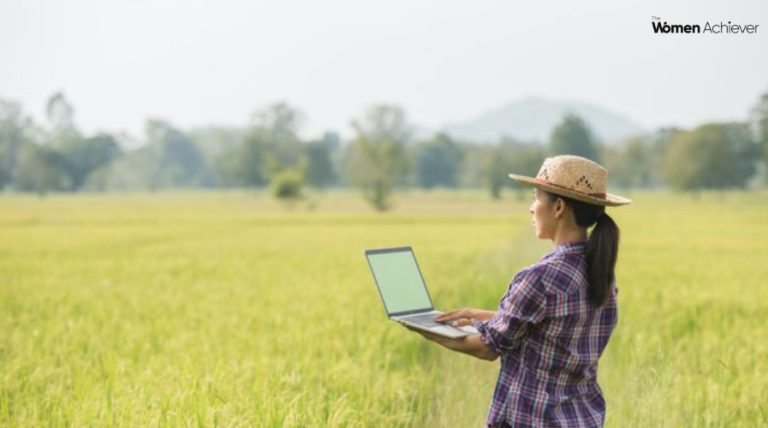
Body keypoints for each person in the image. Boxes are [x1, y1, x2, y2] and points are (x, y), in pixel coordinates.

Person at [404, 154, 632, 427]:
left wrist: (429, 330)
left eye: (535, 198)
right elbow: (550, 326)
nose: (531, 208)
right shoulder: (601, 274)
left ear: (558, 207)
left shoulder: (539, 278)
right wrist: (482, 316)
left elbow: (488, 349)